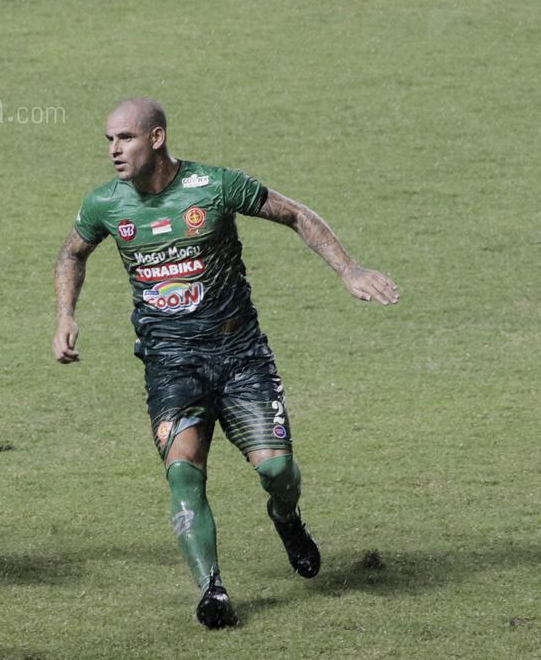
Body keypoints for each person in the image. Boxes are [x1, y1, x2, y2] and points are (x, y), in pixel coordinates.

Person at [52, 98, 399, 629]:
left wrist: (349, 270)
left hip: (240, 358)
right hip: (170, 367)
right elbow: (72, 252)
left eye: (125, 138)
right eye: (109, 141)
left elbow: (296, 213)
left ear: (157, 138)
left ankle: (286, 517)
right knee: (183, 474)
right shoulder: (105, 205)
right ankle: (211, 589)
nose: (115, 151)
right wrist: (65, 315)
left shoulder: (213, 187)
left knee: (277, 469)